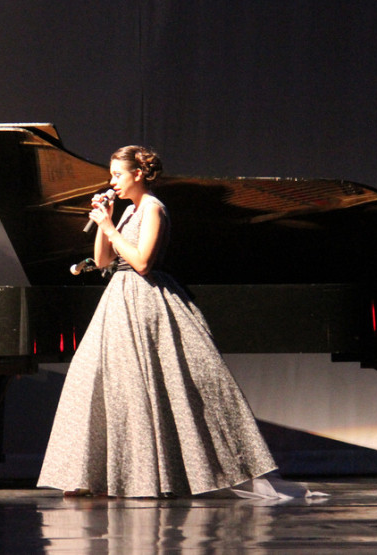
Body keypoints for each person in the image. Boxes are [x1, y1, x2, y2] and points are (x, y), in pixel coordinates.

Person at [37, 146, 278, 498]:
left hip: (145, 299)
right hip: (117, 301)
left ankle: (150, 477)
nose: (112, 181)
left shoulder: (153, 209)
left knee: (145, 386)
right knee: (101, 384)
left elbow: (143, 262)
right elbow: (104, 260)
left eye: (118, 174)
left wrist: (110, 227)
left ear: (138, 173)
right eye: (112, 175)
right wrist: (104, 223)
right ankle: (93, 475)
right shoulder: (128, 211)